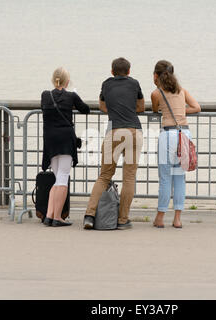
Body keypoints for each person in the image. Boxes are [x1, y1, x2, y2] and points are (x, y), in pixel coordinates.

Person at [83, 57, 144, 230]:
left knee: (105, 175)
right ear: (129, 71)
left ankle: (89, 215)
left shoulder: (106, 84)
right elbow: (140, 107)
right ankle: (122, 220)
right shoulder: (134, 84)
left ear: (112, 71)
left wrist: (114, 110)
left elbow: (102, 106)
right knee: (129, 177)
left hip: (114, 132)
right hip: (133, 131)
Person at [151, 60, 201, 228]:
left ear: (156, 76)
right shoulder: (182, 91)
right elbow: (197, 107)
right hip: (184, 133)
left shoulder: (156, 93)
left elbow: (155, 110)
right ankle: (177, 218)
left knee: (165, 178)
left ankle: (160, 217)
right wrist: (182, 110)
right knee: (180, 177)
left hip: (168, 134)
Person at [41, 67, 90, 227]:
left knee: (58, 178)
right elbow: (85, 109)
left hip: (50, 140)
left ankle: (49, 215)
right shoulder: (71, 96)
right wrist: (74, 96)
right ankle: (57, 217)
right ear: (67, 82)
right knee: (63, 178)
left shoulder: (45, 95)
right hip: (65, 139)